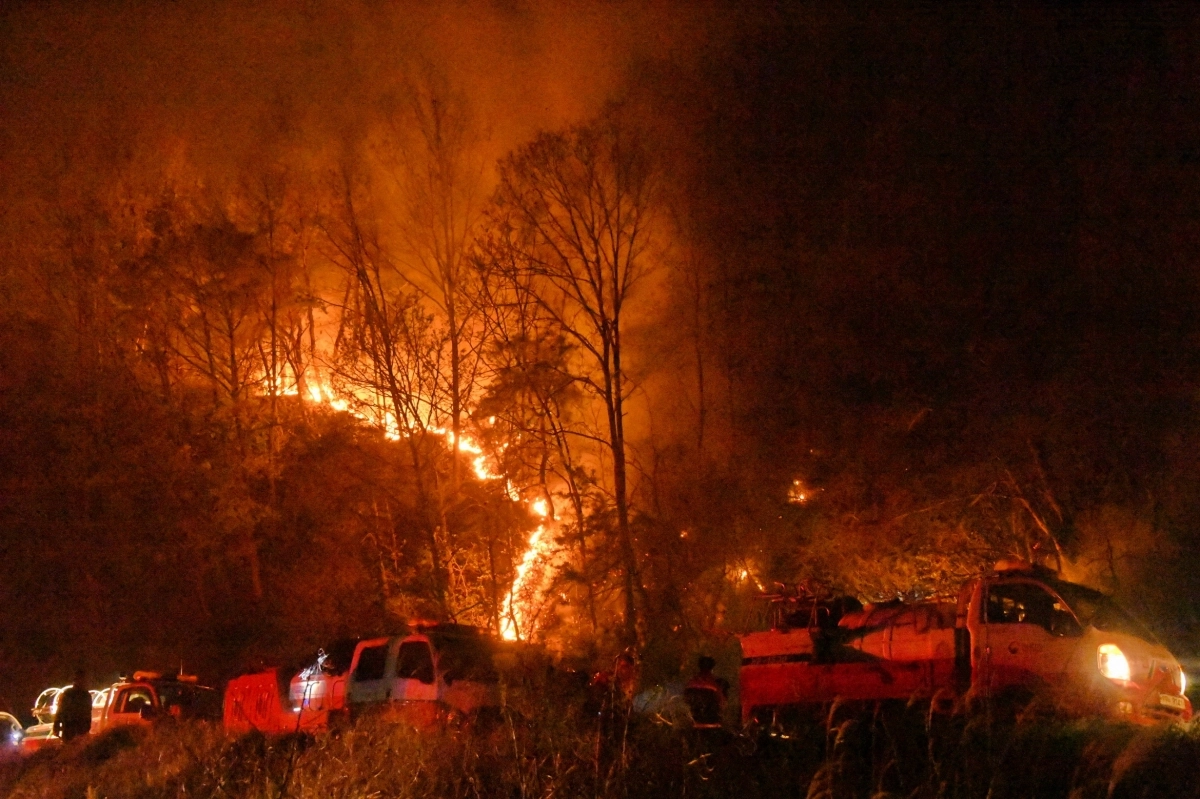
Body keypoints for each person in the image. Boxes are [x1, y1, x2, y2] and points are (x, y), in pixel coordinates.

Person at [684, 656, 728, 728]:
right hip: (712, 721)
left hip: (694, 720)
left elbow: (685, 700)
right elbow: (722, 702)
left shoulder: (691, 682)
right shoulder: (715, 683)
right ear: (712, 667)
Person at [53, 669, 93, 742]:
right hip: (71, 730)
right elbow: (61, 711)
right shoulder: (69, 694)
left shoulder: (85, 695)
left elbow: (88, 713)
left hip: (77, 730)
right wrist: (57, 726)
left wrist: (57, 726)